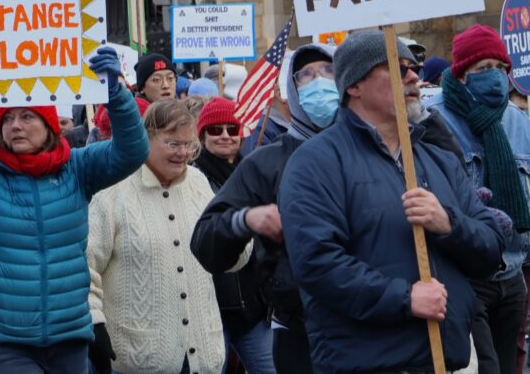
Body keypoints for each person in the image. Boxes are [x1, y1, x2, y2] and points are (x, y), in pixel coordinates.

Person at [0, 46, 150, 373]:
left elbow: (132, 151)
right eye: (8, 118)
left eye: (27, 116)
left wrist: (116, 95)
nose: (15, 125)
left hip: (69, 334)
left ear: (50, 126)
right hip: (6, 339)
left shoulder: (79, 169)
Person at [279, 31, 505, 373]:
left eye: (415, 68)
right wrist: (405, 298)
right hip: (371, 363)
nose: (415, 77)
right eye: (399, 69)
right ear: (354, 85)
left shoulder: (437, 159)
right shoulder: (316, 162)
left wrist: (448, 224)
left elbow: (490, 250)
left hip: (449, 359)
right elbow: (317, 263)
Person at [191, 44, 336, 374]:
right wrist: (244, 220)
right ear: (291, 91)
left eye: (329, 72)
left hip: (374, 330)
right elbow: (206, 240)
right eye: (307, 75)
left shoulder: (377, 150)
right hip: (297, 330)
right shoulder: (265, 163)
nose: (319, 83)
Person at [88, 99, 246, 374]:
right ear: (146, 138)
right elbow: (85, 267)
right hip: (139, 359)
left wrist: (241, 228)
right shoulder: (112, 190)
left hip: (202, 356)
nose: (183, 153)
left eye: (190, 145)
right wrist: (94, 321)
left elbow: (228, 261)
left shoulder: (198, 183)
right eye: (173, 144)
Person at [423, 25, 530, 374]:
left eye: (501, 69)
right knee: (483, 368)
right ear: (462, 74)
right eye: (484, 69)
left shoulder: (518, 121)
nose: (496, 78)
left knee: (510, 364)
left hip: (512, 270)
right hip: (465, 274)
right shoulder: (436, 118)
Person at [193, 98, 274, 374]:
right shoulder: (192, 178)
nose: (225, 135)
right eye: (215, 130)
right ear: (202, 135)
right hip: (209, 311)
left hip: (254, 310)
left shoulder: (254, 172)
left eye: (232, 128)